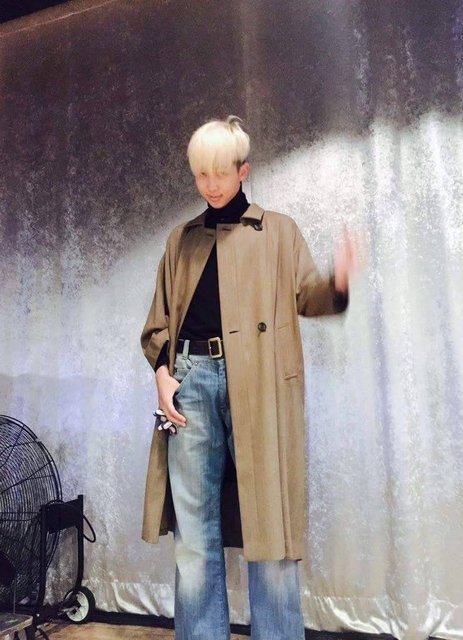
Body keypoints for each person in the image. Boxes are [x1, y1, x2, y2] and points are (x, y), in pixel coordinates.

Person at [141, 116, 356, 640]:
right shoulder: (181, 240)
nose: (211, 185)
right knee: (194, 535)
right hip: (191, 384)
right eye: (201, 174)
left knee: (271, 526)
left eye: (220, 172)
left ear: (244, 170)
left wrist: (338, 282)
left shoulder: (278, 231)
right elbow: (158, 323)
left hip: (259, 384)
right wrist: (163, 374)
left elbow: (309, 296)